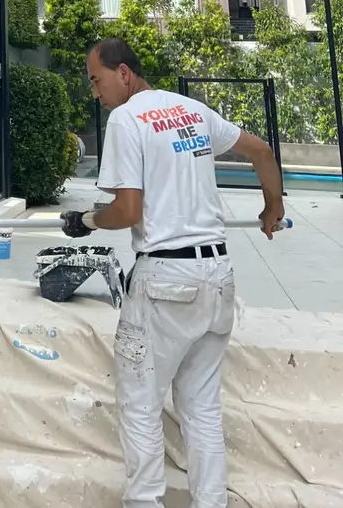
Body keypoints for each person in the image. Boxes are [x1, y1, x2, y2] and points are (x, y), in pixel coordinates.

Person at [61, 38, 284, 508]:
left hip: (165, 280)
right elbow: (262, 152)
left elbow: (128, 210)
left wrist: (86, 221)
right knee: (201, 410)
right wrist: (273, 207)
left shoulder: (126, 119)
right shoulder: (191, 110)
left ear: (123, 73)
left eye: (97, 81)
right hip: (216, 276)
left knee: (140, 405)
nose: (95, 94)